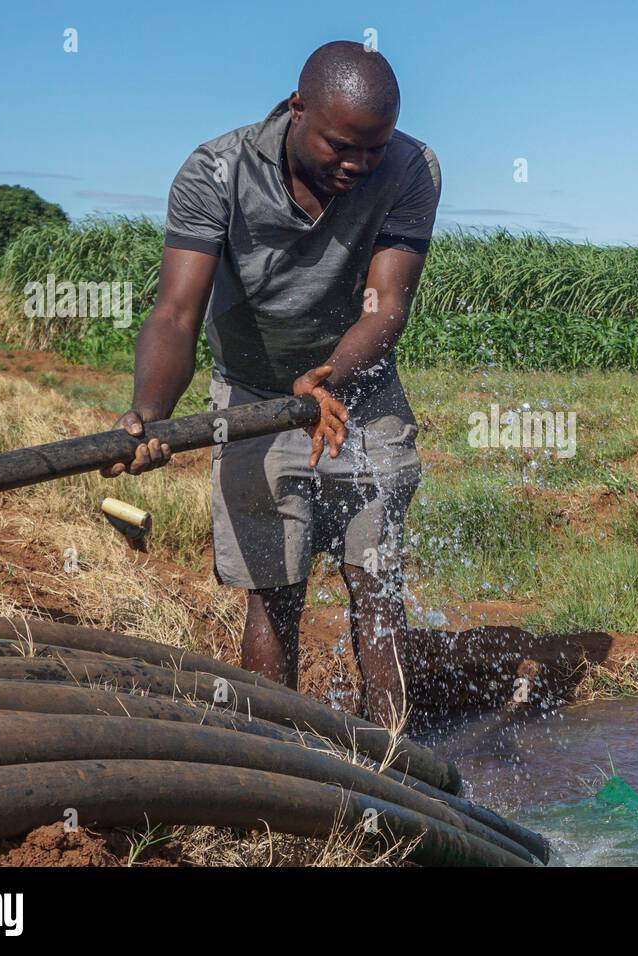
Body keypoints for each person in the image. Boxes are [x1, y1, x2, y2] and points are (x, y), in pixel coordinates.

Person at [102, 40, 440, 725]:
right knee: (273, 587)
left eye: (373, 149)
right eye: (343, 146)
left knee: (376, 582)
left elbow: (388, 304)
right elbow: (175, 312)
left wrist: (328, 378)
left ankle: (395, 766)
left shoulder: (410, 166)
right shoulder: (217, 171)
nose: (360, 164)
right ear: (297, 109)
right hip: (254, 397)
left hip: (358, 391)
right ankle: (278, 768)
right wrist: (148, 414)